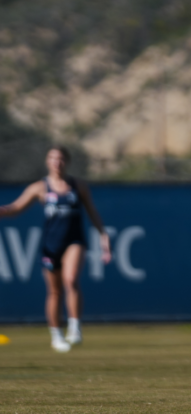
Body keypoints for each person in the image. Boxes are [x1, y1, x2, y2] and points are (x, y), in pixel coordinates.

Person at [0, 146, 112, 352]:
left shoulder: (78, 186)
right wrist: (3, 210)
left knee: (71, 280)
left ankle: (75, 328)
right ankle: (56, 335)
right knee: (54, 291)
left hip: (74, 241)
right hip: (51, 244)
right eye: (52, 158)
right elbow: (15, 208)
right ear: (47, 161)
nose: (57, 163)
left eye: (60, 159)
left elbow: (92, 212)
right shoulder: (39, 187)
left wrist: (103, 235)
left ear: (66, 162)